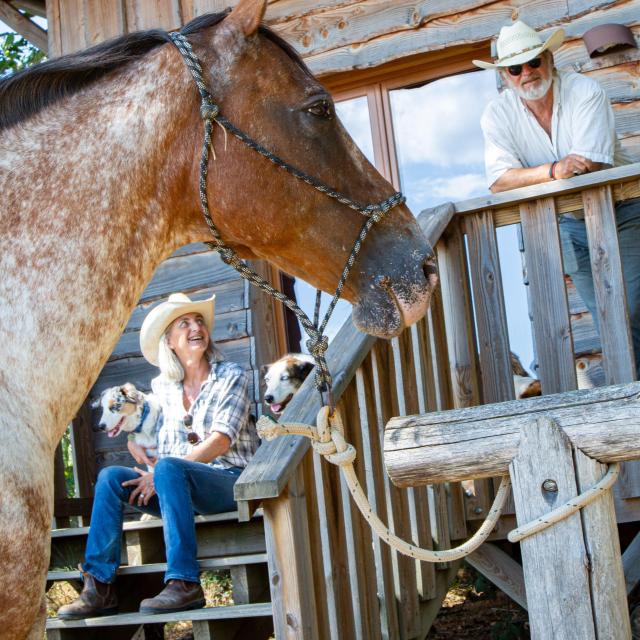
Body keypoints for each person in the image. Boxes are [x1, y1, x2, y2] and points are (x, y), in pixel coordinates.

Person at [58, 292, 260, 619]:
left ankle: (184, 582)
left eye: (199, 321)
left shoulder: (231, 375)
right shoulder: (163, 387)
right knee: (111, 478)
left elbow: (220, 442)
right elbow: (160, 445)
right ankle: (99, 587)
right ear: (169, 341)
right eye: (185, 323)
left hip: (230, 481)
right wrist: (139, 449)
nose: (196, 327)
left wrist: (162, 471)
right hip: (177, 485)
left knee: (167, 469)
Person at [474, 20, 640, 377]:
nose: (527, 73)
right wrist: (554, 170)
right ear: (505, 76)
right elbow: (500, 181)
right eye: (515, 68)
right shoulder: (497, 114)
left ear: (549, 58)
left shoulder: (585, 90)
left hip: (623, 210)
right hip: (567, 224)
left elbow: (590, 161)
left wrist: (540, 173)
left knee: (630, 307)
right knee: (607, 315)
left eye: (534, 61)